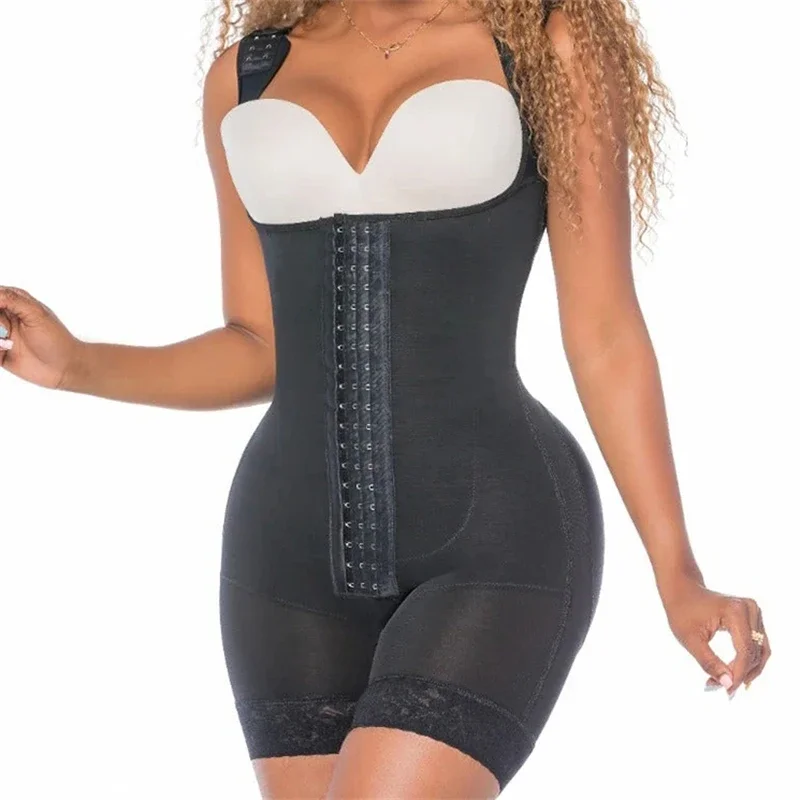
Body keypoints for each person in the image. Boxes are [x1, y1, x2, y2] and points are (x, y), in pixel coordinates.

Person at [0, 1, 771, 798]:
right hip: (284, 553)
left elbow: (603, 332)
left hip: (494, 535)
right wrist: (77, 365)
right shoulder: (247, 73)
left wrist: (678, 573)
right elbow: (259, 344)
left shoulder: (547, 45)